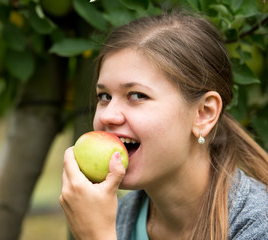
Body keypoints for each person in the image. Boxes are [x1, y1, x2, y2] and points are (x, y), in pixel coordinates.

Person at [59, 11, 268, 240]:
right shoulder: (119, 216)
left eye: (137, 95)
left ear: (203, 114)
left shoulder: (257, 225)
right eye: (104, 96)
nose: (108, 116)